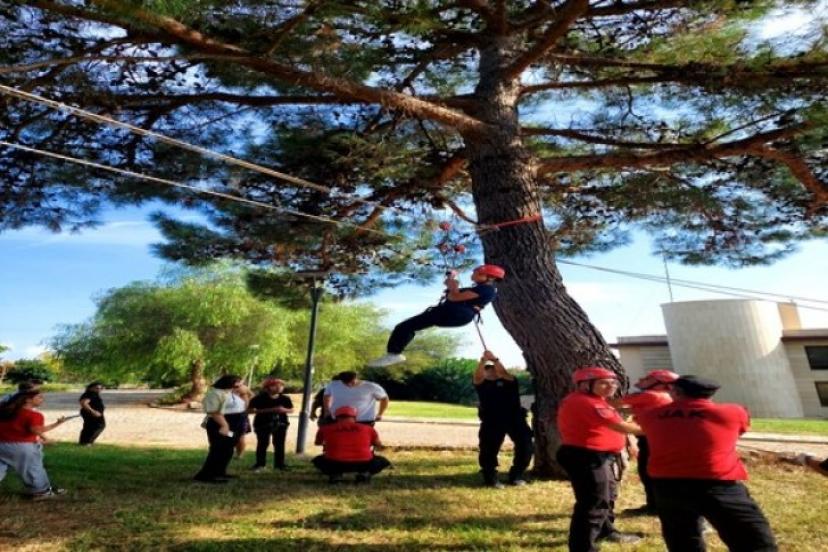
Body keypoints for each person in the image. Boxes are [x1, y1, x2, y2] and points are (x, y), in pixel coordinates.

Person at [636, 375, 777, 552]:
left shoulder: (650, 415)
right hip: (717, 484)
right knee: (752, 541)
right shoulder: (734, 412)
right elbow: (739, 431)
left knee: (682, 539)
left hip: (667, 485)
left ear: (676, 392)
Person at [557, 367, 643, 551]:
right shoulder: (588, 403)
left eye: (613, 382)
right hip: (587, 457)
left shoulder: (595, 400)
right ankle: (583, 547)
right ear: (584, 385)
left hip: (596, 456)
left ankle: (606, 531)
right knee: (594, 502)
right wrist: (659, 425)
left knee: (607, 496)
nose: (611, 386)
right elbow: (623, 427)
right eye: (603, 383)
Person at [368, 264, 505, 367]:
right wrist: (451, 278)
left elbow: (454, 297)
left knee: (405, 327)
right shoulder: (480, 288)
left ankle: (394, 354)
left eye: (478, 272)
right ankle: (394, 353)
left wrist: (453, 285)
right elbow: (452, 292)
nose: (473, 274)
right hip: (453, 313)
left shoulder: (487, 289)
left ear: (490, 277)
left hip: (456, 312)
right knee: (407, 327)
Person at [611, 369, 679, 515]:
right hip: (661, 439)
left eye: (649, 379)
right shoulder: (665, 396)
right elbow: (637, 409)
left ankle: (655, 506)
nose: (643, 380)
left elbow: (615, 403)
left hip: (651, 440)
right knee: (653, 472)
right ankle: (657, 504)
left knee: (647, 472)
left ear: (662, 384)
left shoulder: (650, 395)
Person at [473, 349, 533, 488]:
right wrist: (483, 361)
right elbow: (477, 376)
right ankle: (490, 477)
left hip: (515, 419)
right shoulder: (481, 384)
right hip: (491, 420)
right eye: (487, 370)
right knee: (488, 449)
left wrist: (494, 359)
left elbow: (504, 373)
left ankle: (516, 475)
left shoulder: (510, 381)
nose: (491, 372)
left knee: (525, 445)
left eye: (493, 369)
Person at [0, 390, 68, 499]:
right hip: (22, 447)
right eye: (39, 397)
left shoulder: (6, 411)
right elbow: (35, 430)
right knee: (33, 469)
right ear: (28, 400)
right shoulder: (34, 415)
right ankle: (41, 492)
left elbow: (34, 429)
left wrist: (57, 423)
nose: (42, 399)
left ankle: (45, 489)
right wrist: (47, 439)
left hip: (2, 445)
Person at [312, 406, 391, 483]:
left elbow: (317, 443)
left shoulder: (325, 428)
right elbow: (378, 444)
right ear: (355, 417)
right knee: (382, 461)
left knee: (318, 460)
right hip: (363, 463)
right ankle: (364, 473)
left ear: (336, 417)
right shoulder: (368, 428)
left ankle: (335, 474)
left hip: (334, 463)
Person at [193, 375, 243, 484]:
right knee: (218, 449)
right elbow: (214, 412)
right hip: (220, 424)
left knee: (228, 449)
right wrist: (224, 425)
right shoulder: (215, 393)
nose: (240, 384)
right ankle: (206, 475)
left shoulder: (229, 393)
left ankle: (220, 472)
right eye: (238, 382)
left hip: (232, 425)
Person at [248, 378, 294, 472]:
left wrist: (283, 410)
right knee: (263, 443)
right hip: (262, 424)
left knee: (279, 444)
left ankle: (280, 464)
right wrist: (270, 410)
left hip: (281, 424)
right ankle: (260, 464)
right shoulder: (259, 398)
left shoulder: (285, 398)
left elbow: (291, 409)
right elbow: (249, 410)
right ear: (267, 387)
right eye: (276, 385)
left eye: (281, 385)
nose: (279, 387)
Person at [323, 371, 388, 425]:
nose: (349, 384)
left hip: (364, 420)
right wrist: (327, 410)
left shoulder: (371, 386)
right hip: (339, 419)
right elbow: (326, 396)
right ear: (341, 380)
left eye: (352, 382)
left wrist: (380, 414)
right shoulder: (333, 385)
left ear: (356, 378)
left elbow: (384, 398)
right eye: (345, 383)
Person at [78, 382, 106, 446]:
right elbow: (84, 403)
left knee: (88, 427)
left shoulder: (91, 394)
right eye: (97, 388)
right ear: (91, 388)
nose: (99, 390)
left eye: (100, 388)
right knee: (99, 426)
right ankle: (88, 442)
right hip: (92, 413)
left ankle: (83, 442)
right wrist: (93, 412)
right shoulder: (90, 394)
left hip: (91, 413)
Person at [231, 382, 253, 460]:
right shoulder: (229, 389)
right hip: (231, 414)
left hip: (241, 415)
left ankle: (240, 454)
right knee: (231, 435)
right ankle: (236, 453)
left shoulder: (244, 389)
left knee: (240, 436)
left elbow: (252, 397)